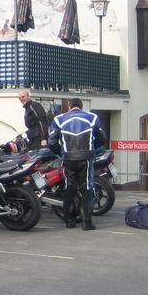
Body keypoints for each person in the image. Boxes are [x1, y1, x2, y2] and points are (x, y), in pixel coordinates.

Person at [47, 97, 106, 230]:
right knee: (87, 188)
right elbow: (102, 138)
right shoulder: (92, 117)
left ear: (69, 106)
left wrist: (61, 152)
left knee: (69, 188)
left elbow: (52, 142)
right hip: (86, 157)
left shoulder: (59, 119)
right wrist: (92, 149)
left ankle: (69, 221)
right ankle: (87, 223)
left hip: (68, 157)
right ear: (81, 106)